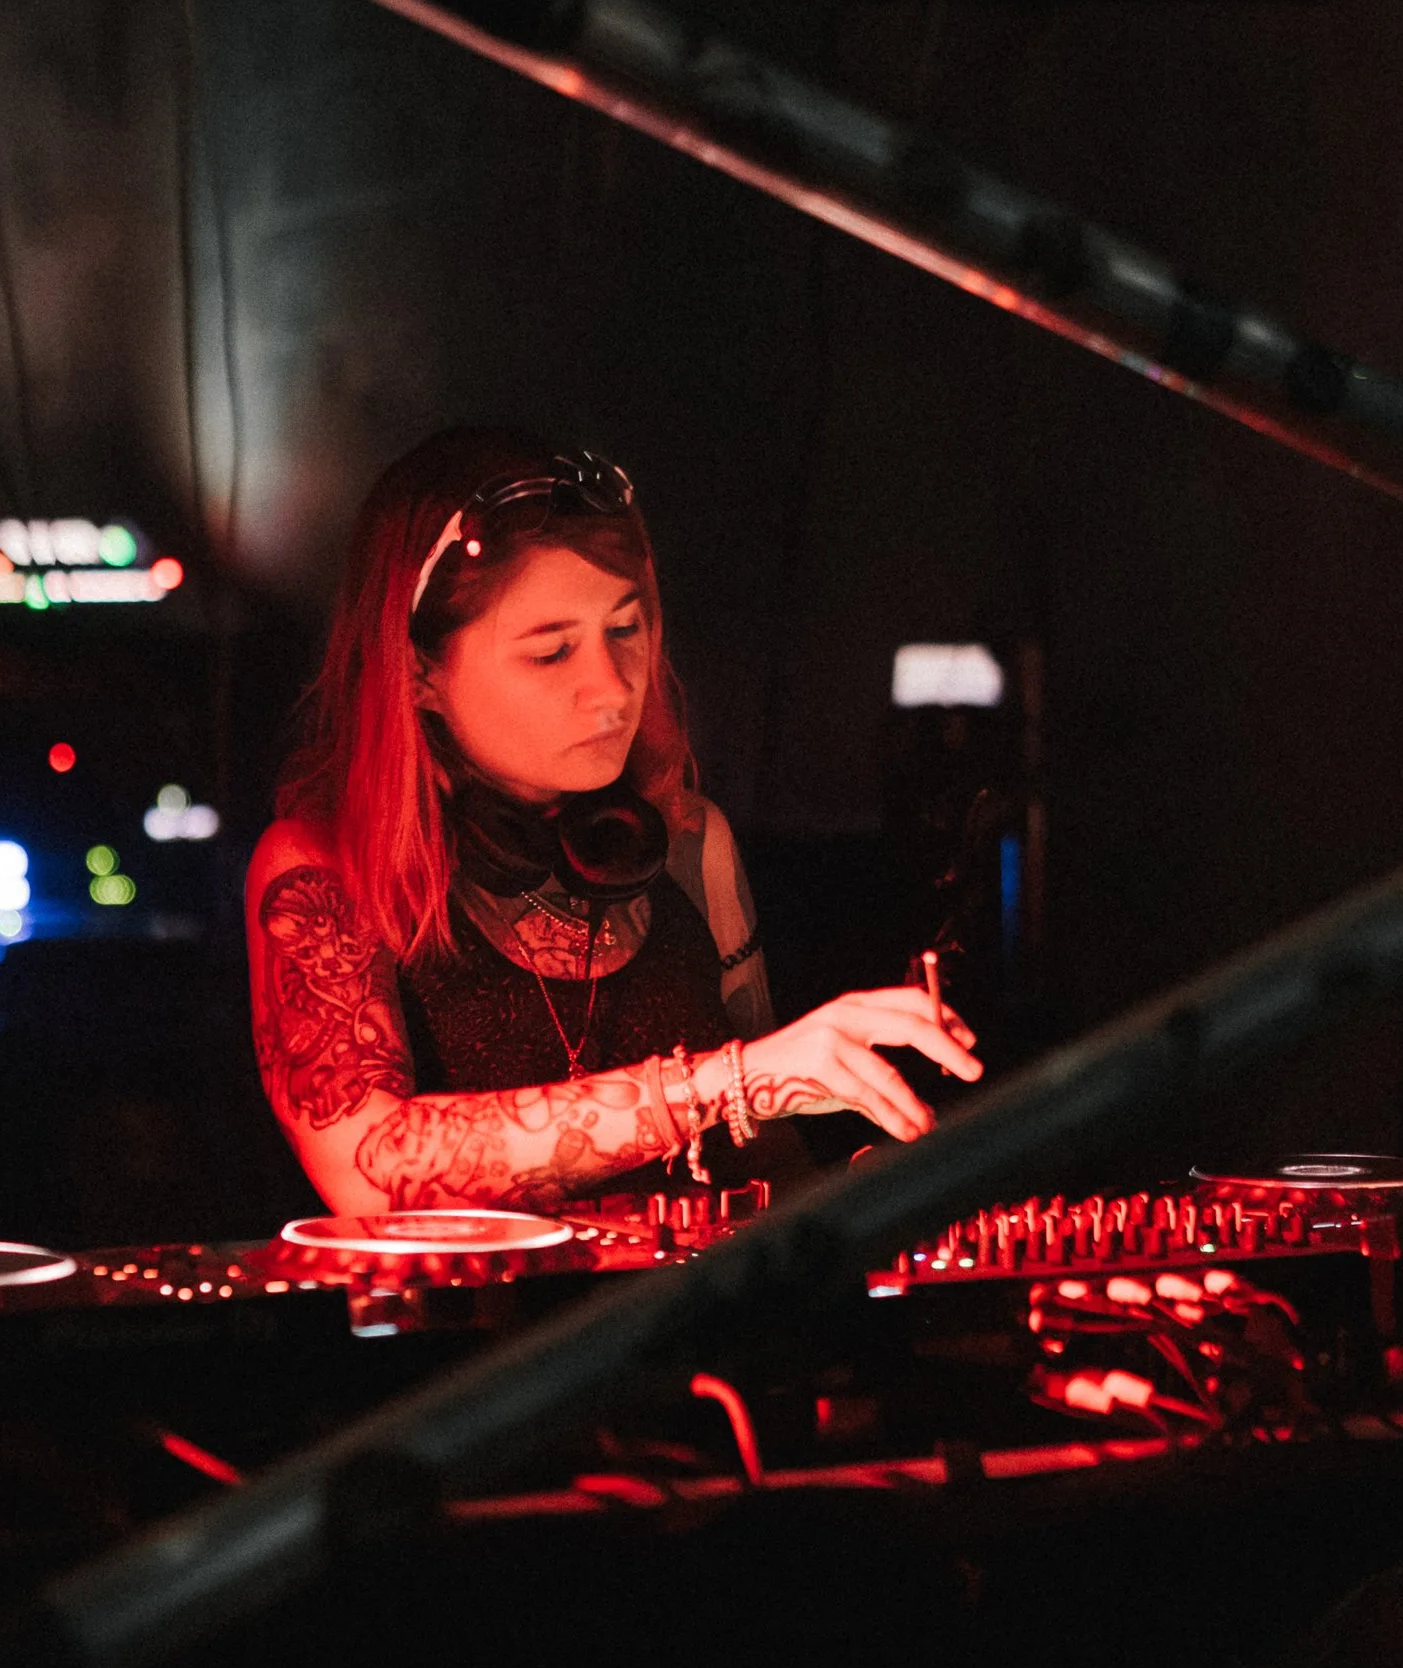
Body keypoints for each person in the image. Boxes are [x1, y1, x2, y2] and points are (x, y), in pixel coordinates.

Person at [248, 427, 979, 1213]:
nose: (610, 688)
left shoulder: (690, 842)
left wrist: (871, 1195)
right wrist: (728, 1080)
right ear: (420, 672)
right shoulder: (321, 865)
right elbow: (366, 1169)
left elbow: (763, 1154)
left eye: (625, 631)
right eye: (551, 651)